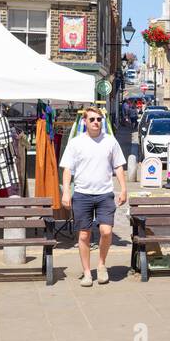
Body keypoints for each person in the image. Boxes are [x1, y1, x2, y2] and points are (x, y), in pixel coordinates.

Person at [60, 107, 128, 287]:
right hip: (82, 194)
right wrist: (66, 191)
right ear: (85, 122)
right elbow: (68, 169)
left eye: (99, 119)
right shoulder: (76, 143)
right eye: (92, 119)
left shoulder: (110, 141)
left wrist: (123, 189)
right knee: (84, 235)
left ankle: (101, 265)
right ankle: (87, 272)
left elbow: (118, 166)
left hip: (104, 194)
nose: (96, 122)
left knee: (106, 231)